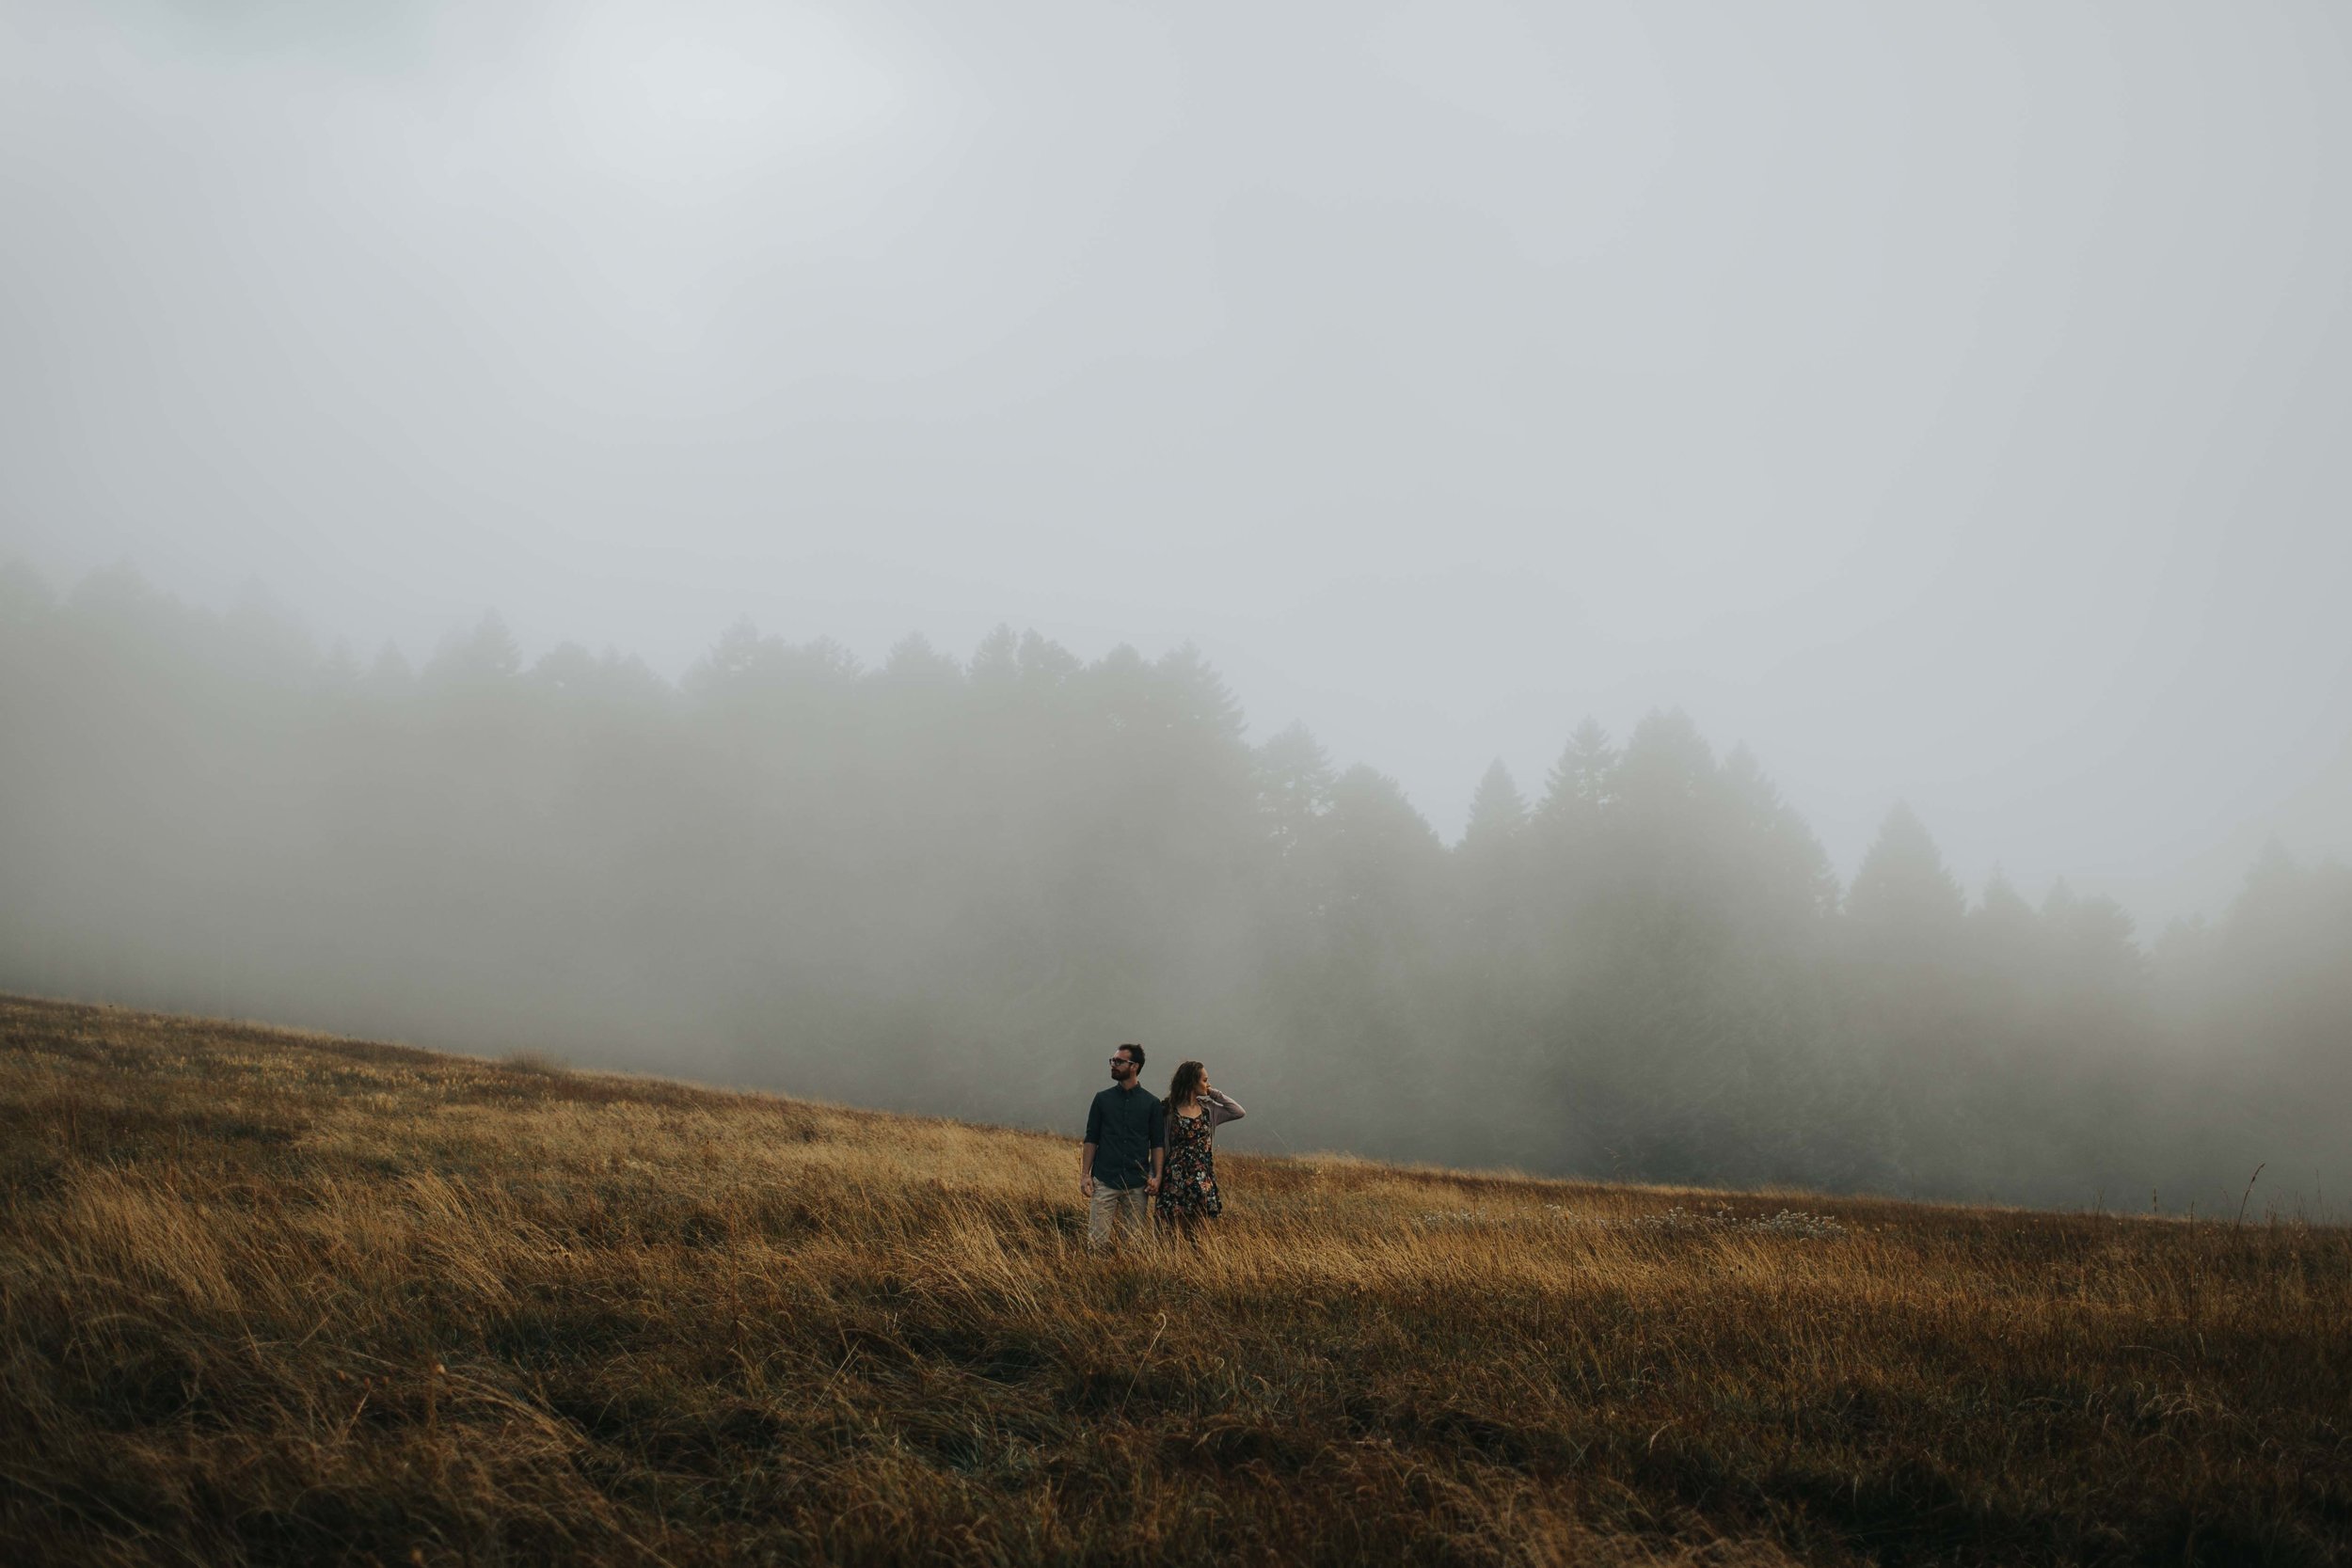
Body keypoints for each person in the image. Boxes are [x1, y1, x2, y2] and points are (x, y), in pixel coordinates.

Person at [1080, 1042, 1164, 1248]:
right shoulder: (1102, 1099)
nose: (1113, 1065)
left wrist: (1157, 1176)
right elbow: (1091, 1138)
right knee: (1096, 1243)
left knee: (1134, 1246)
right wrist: (1085, 1174)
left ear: (1134, 1066)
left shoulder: (1152, 1103)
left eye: (1119, 1061)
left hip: (1137, 1183)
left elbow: (1158, 1143)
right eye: (1112, 1060)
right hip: (1104, 1180)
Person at [1155, 1059, 1244, 1242]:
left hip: (1202, 1177)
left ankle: (1199, 1267)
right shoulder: (1168, 1111)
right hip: (1175, 1177)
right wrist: (1155, 1174)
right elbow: (1161, 1146)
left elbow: (1238, 1111)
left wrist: (1213, 1093)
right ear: (1191, 1081)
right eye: (1204, 1080)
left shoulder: (1208, 1109)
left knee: (1201, 1234)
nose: (1208, 1084)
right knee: (1173, 1234)